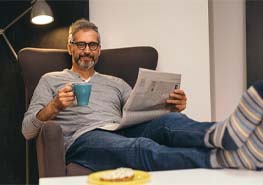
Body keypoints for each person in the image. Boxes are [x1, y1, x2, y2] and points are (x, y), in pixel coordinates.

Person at [22, 18, 263, 172]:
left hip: (120, 128)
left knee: (170, 123)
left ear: (99, 50)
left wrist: (171, 107)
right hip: (83, 139)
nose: (87, 51)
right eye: (81, 44)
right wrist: (53, 106)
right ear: (70, 47)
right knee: (141, 147)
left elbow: (140, 112)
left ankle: (223, 134)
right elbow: (27, 131)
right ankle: (226, 158)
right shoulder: (51, 79)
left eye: (92, 45)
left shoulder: (115, 83)